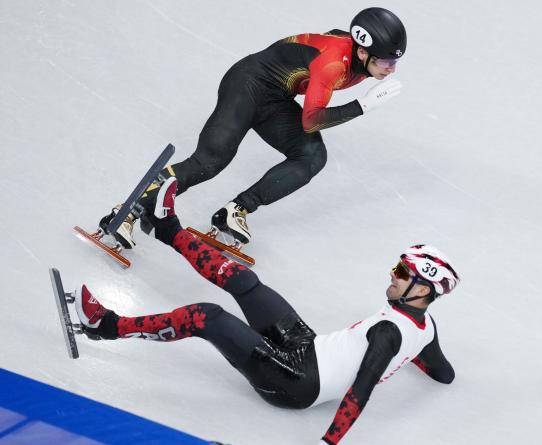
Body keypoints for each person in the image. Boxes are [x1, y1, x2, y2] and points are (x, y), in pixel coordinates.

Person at [79, 177, 460, 444]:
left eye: (401, 273)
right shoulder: (424, 328)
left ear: (422, 289)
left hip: (294, 380)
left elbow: (361, 391)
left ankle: (105, 325)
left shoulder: (389, 334)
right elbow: (443, 374)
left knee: (206, 316)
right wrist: (406, 357)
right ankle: (167, 227)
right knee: (245, 283)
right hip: (307, 346)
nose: (392, 276)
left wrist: (329, 442)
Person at [102, 7, 407, 250]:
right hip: (246, 84)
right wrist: (362, 106)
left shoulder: (360, 56)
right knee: (209, 162)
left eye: (395, 63)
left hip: (275, 97)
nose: (390, 69)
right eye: (385, 62)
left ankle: (234, 212)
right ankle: (127, 210)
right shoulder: (333, 64)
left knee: (312, 156)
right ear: (363, 52)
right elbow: (311, 119)